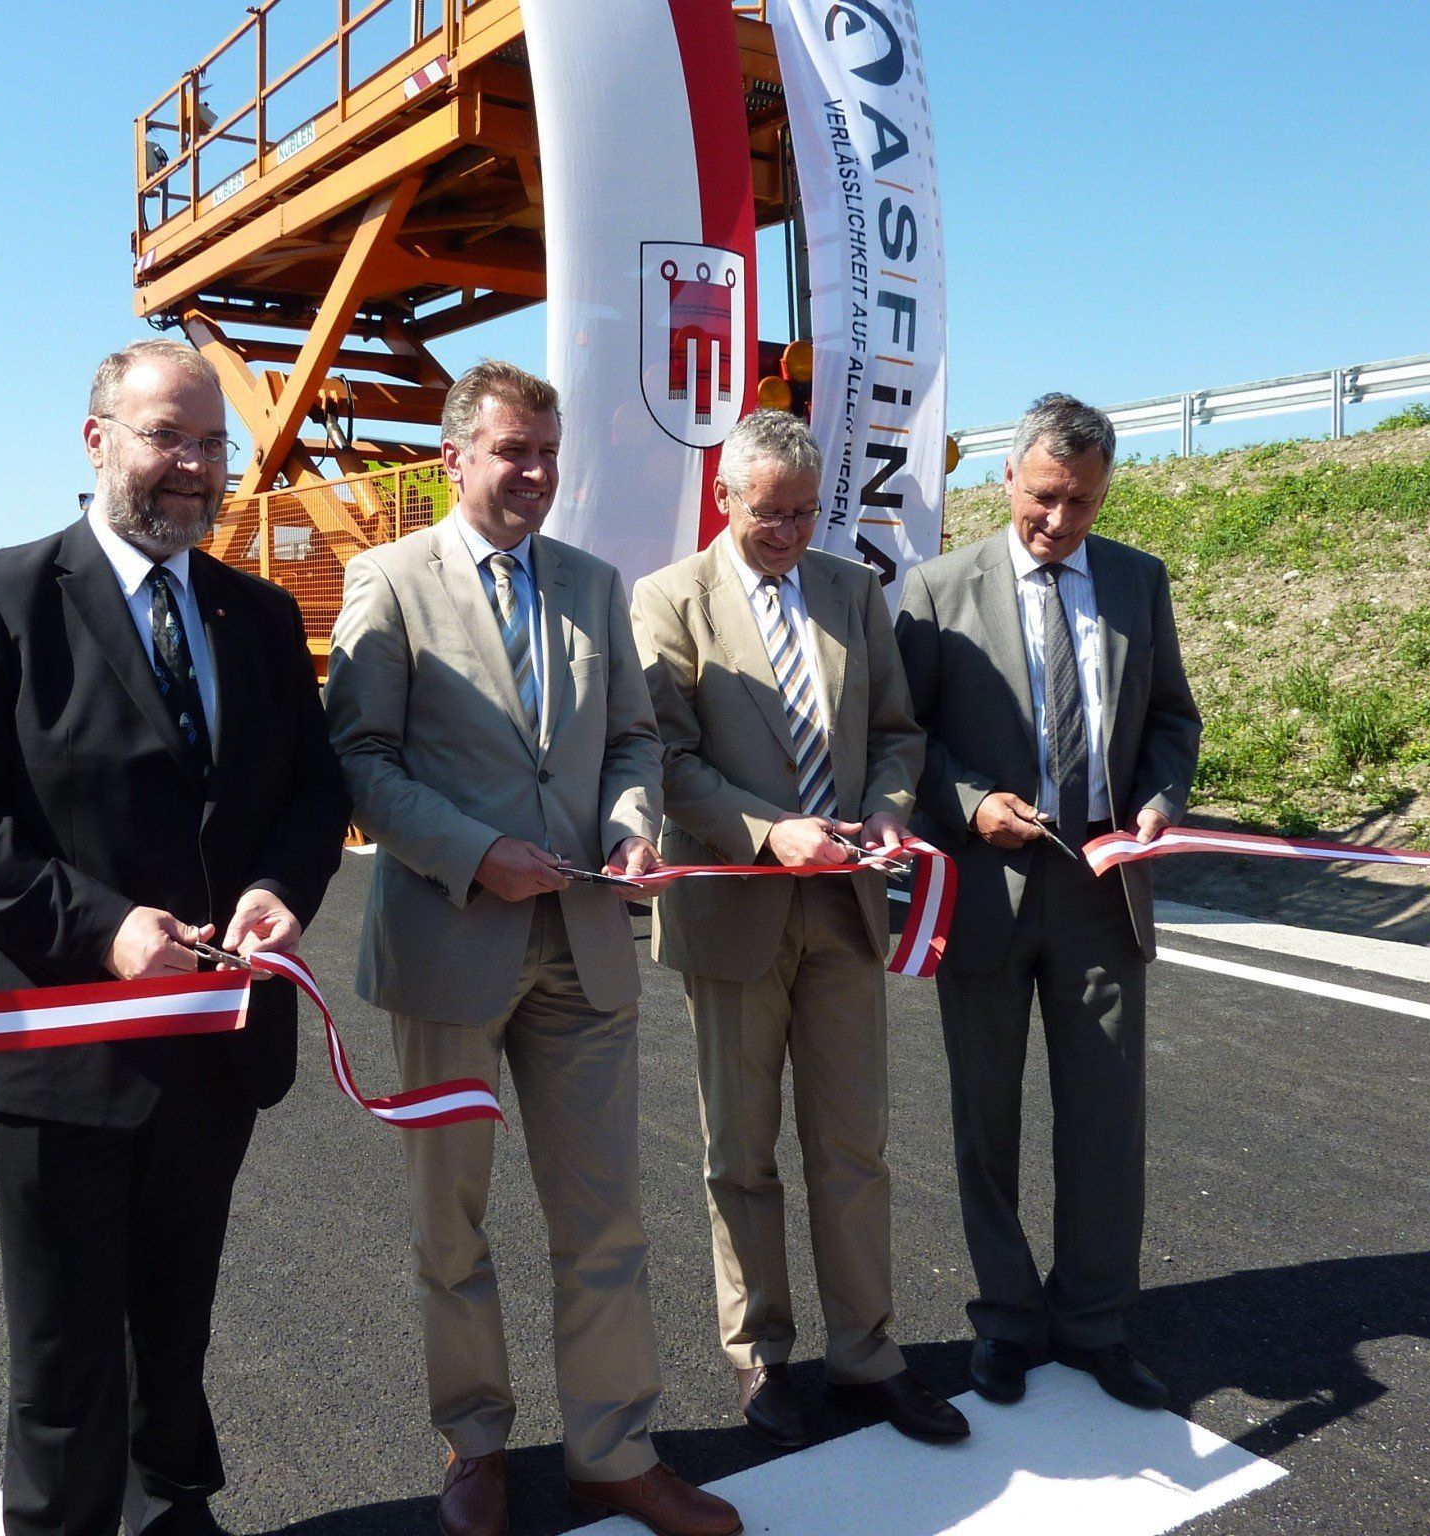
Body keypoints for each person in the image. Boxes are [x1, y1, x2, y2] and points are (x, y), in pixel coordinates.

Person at [0, 339, 349, 1536]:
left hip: (214, 1041)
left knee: (177, 1312)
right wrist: (104, 932)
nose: (192, 468)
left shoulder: (253, 613)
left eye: (211, 444)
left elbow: (312, 793)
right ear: (96, 441)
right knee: (62, 1346)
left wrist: (277, 891)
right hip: (58, 1045)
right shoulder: (0, 595)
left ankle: (173, 1506)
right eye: (166, 438)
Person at [324, 362, 739, 1536]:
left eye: (548, 452)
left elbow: (632, 739)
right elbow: (359, 761)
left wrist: (631, 817)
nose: (537, 474)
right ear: (454, 458)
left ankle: (613, 1451)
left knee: (603, 1215)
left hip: (584, 942)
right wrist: (474, 852)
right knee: (449, 1220)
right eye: (514, 451)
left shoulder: (595, 586)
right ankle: (474, 1445)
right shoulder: (387, 581)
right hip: (450, 944)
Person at [628, 411, 967, 1450]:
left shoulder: (850, 590)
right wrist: (769, 832)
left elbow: (898, 735)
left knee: (852, 1147)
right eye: (764, 511)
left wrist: (889, 810)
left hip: (843, 909)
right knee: (739, 1149)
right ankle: (760, 1356)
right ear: (723, 497)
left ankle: (867, 1355)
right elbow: (667, 756)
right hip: (733, 906)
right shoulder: (668, 599)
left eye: (800, 512)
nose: (783, 531)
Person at [894, 393, 1201, 1410]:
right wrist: (970, 804)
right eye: (1041, 497)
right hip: (983, 893)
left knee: (1104, 1118)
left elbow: (1170, 721)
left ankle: (1094, 1322)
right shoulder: (938, 591)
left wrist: (1159, 799)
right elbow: (903, 741)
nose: (1058, 521)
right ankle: (1006, 1320)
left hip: (1099, 892)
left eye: (1080, 503)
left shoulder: (1135, 582)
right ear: (1004, 480)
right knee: (985, 1120)